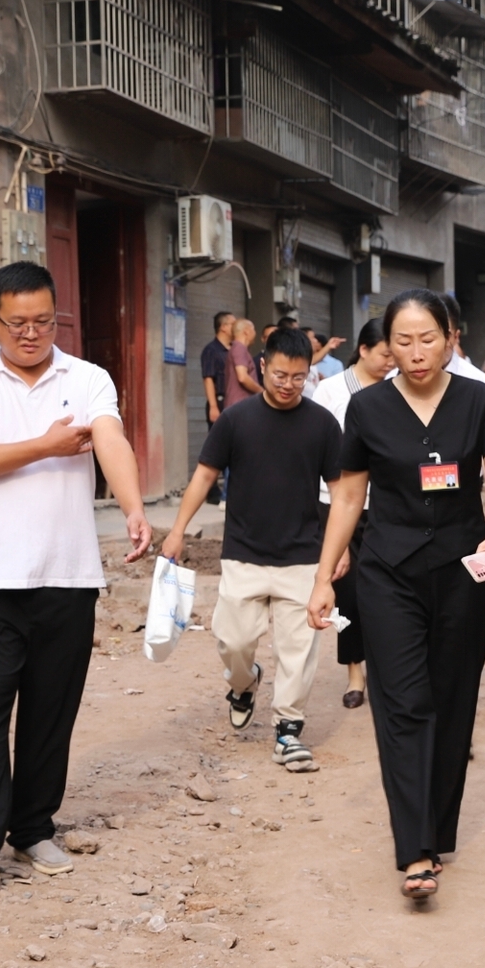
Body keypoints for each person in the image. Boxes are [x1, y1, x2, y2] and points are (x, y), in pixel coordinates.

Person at [0, 262, 152, 884]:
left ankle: (32, 829)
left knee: (51, 710)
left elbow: (109, 438)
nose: (31, 334)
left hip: (68, 574)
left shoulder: (86, 378)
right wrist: (45, 446)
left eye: (43, 321)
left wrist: (134, 506)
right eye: (18, 323)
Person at [306, 290, 485, 901]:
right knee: (402, 703)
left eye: (428, 339)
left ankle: (437, 828)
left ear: (451, 337)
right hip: (387, 572)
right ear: (385, 346)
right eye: (403, 341)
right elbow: (348, 497)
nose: (416, 353)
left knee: (452, 700)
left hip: (463, 569)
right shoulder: (366, 408)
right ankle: (416, 848)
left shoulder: (476, 397)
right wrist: (324, 576)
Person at [161, 327, 342, 773]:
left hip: (302, 557)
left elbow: (341, 493)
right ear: (262, 366)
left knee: (298, 648)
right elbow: (204, 476)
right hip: (242, 552)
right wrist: (177, 530)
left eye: (299, 377)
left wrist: (338, 550)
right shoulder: (236, 419)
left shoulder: (322, 425)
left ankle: (288, 730)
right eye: (280, 374)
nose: (288, 384)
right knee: (234, 640)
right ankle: (244, 685)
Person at [311, 319, 393, 710]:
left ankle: (385, 669)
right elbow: (318, 453)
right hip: (340, 503)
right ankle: (354, 672)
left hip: (386, 503)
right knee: (348, 595)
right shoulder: (330, 391)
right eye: (386, 353)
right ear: (364, 350)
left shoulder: (398, 390)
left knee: (383, 591)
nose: (392, 361)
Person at [199, 312, 236, 505]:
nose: (235, 326)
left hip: (231, 402)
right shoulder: (211, 350)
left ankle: (223, 489)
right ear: (223, 327)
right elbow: (208, 378)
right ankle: (211, 490)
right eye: (232, 323)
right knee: (216, 447)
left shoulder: (233, 350)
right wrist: (213, 405)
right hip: (219, 402)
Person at [225, 318, 262, 410]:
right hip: (240, 405)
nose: (255, 333)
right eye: (253, 330)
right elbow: (243, 377)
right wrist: (262, 392)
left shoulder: (238, 348)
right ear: (246, 331)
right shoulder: (239, 348)